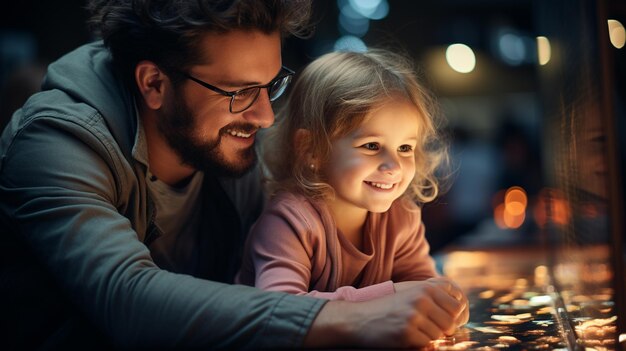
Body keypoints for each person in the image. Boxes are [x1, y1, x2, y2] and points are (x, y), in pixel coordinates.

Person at [0, 0, 467, 349]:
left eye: (269, 86)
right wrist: (354, 318)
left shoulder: (230, 143)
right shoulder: (54, 144)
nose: (265, 117)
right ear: (154, 83)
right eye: (241, 91)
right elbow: (125, 298)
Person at [236, 49, 467, 303]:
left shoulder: (401, 218)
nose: (393, 165)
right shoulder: (289, 221)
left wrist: (441, 301)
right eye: (371, 146)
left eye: (405, 148)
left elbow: (420, 287)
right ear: (311, 149)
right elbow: (281, 310)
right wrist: (392, 294)